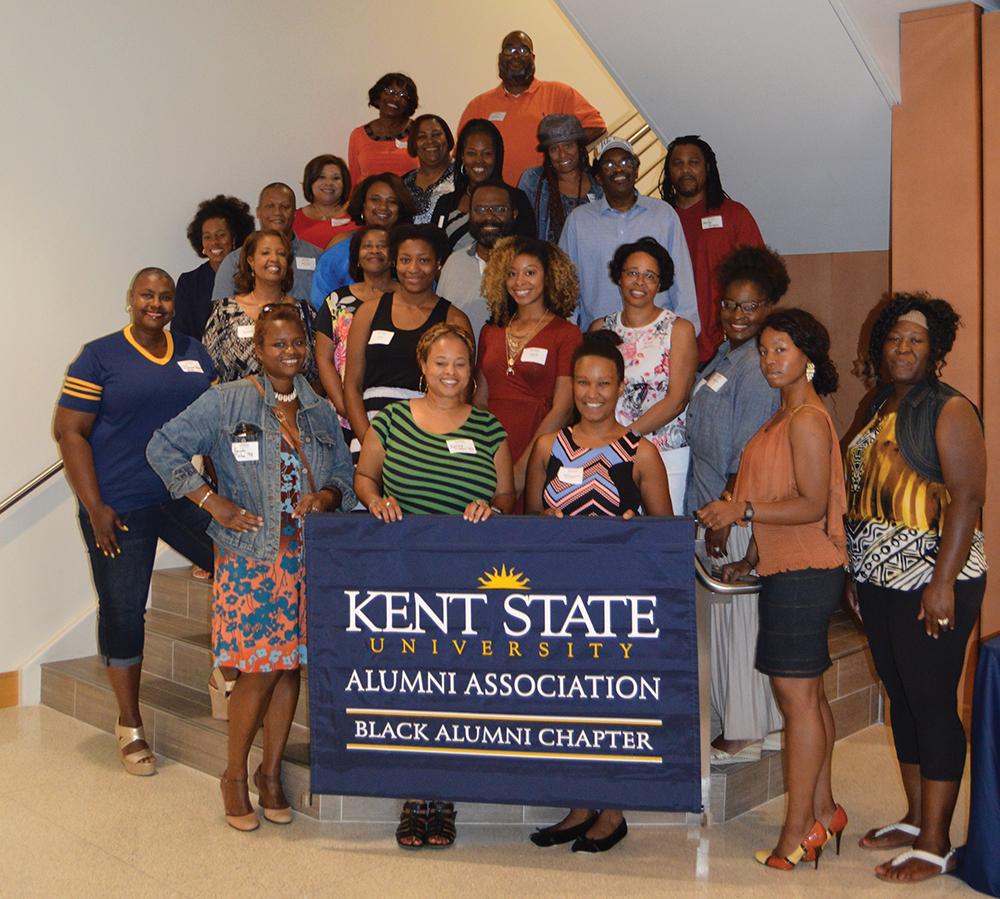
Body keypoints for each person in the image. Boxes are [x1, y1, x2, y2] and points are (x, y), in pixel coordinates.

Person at [147, 304, 356, 831]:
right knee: (259, 670)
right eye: (278, 344)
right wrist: (209, 500)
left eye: (297, 345)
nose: (290, 353)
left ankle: (270, 775)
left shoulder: (319, 408)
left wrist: (328, 497)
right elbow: (163, 446)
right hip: (250, 560)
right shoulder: (228, 400)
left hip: (306, 559)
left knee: (289, 669)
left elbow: (344, 480)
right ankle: (234, 775)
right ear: (258, 350)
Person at [698, 309, 847, 871]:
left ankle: (798, 828)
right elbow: (783, 495)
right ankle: (825, 810)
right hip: (787, 567)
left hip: (807, 572)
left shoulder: (807, 417)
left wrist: (742, 510)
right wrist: (752, 559)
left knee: (797, 700)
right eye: (764, 351)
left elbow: (811, 503)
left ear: (808, 355)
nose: (769, 360)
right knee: (810, 697)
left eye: (781, 349)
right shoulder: (782, 415)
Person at [354, 322, 514, 847]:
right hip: (404, 578)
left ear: (472, 372)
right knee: (410, 684)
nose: (450, 372)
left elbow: (509, 499)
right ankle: (412, 796)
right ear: (422, 367)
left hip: (469, 584)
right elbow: (365, 476)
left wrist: (490, 506)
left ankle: (442, 797)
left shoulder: (490, 430)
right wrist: (375, 501)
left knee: (455, 688)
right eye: (440, 362)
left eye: (460, 364)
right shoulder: (394, 420)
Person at [54, 268, 217, 778]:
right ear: (131, 298)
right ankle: (130, 724)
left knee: (238, 563)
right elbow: (70, 432)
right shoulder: (99, 355)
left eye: (165, 296)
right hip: (118, 504)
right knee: (124, 611)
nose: (157, 303)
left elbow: (210, 427)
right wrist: (95, 505)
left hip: (178, 493)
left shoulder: (195, 353)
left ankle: (227, 672)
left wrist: (220, 494)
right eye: (148, 294)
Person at [845, 294, 986, 884]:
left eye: (916, 340)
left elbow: (968, 500)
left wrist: (943, 583)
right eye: (894, 338)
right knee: (900, 697)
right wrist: (857, 572)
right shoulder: (878, 401)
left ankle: (935, 842)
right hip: (878, 578)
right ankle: (913, 817)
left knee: (931, 702)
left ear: (936, 350)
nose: (902, 348)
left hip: (932, 577)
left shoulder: (949, 410)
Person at [523, 331, 670, 854]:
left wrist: (630, 529)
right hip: (559, 599)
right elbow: (529, 520)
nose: (591, 392)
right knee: (566, 703)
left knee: (611, 706)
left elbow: (664, 534)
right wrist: (548, 521)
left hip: (615, 603)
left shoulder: (642, 453)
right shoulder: (548, 447)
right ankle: (579, 804)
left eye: (603, 383)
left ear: (620, 386)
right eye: (582, 381)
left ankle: (613, 811)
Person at [685, 245, 787, 764]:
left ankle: (744, 729)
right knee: (727, 621)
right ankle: (756, 721)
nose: (738, 315)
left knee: (737, 621)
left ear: (769, 306)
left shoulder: (757, 366)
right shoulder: (724, 356)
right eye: (730, 305)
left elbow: (749, 448)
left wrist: (727, 509)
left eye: (750, 306)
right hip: (711, 504)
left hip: (732, 512)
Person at [344, 224, 473, 451]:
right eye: (405, 260)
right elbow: (352, 386)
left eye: (423, 260)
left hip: (428, 437)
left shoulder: (455, 320)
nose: (413, 268)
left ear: (438, 264)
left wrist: (431, 442)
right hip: (370, 429)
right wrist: (369, 442)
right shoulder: (368, 311)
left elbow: (461, 393)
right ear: (395, 262)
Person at [592, 237, 696, 512]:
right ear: (619, 276)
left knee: (663, 540)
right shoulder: (600, 328)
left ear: (661, 283)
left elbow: (677, 400)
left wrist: (622, 438)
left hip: (665, 453)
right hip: (608, 455)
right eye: (632, 273)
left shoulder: (679, 329)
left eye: (650, 276)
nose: (639, 282)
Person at [475, 235, 581, 496]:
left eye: (530, 273)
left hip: (540, 441)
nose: (519, 282)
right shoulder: (490, 331)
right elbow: (479, 401)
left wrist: (525, 466)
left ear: (549, 277)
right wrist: (481, 455)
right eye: (512, 273)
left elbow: (564, 407)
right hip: (491, 446)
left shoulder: (566, 334)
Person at [560, 137, 698, 333]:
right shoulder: (578, 221)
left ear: (636, 170)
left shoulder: (663, 214)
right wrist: (567, 337)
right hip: (600, 337)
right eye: (609, 164)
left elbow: (682, 280)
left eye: (626, 162)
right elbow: (567, 286)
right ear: (598, 176)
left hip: (657, 337)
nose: (618, 169)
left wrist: (687, 332)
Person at [661, 136, 764, 364]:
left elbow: (760, 280)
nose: (686, 169)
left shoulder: (735, 215)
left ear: (707, 168)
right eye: (678, 163)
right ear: (669, 171)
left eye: (693, 162)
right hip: (668, 345)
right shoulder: (659, 219)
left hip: (726, 344)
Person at [458, 30, 606, 185]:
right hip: (497, 199)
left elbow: (596, 127)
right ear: (500, 58)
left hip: (548, 194)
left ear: (533, 58)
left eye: (523, 50)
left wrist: (561, 153)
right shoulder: (478, 105)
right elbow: (461, 155)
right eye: (509, 50)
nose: (516, 56)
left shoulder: (560, 93)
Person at [314, 225, 396, 459]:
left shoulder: (407, 298)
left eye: (382, 246)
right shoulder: (337, 300)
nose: (374, 251)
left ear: (393, 256)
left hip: (399, 409)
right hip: (344, 414)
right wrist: (343, 405)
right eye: (367, 246)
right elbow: (323, 357)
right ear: (356, 257)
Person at [202, 230, 316, 384]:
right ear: (251, 261)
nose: (274, 259)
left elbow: (318, 371)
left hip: (295, 405)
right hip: (237, 405)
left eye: (281, 254)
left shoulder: (304, 312)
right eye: (265, 253)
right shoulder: (225, 311)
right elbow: (208, 367)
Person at [429, 119, 536, 250]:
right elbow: (433, 250)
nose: (479, 160)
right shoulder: (445, 203)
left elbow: (529, 251)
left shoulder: (517, 199)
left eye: (487, 154)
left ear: (497, 156)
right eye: (471, 153)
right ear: (462, 156)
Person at [311, 173, 414, 309]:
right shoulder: (339, 250)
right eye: (375, 199)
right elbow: (321, 302)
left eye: (392, 201)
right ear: (363, 204)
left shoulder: (412, 250)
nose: (383, 207)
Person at [212, 183, 322, 307]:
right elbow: (222, 312)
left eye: (285, 206)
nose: (277, 212)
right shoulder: (234, 260)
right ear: (258, 212)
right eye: (270, 206)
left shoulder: (318, 257)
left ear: (295, 213)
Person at [437, 180, 519, 342]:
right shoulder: (454, 263)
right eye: (480, 209)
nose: (489, 216)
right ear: (469, 214)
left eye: (499, 209)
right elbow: (440, 324)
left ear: (514, 214)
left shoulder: (532, 265)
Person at [174, 195, 255, 340]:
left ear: (234, 239)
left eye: (221, 235)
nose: (214, 242)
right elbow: (181, 335)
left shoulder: (253, 278)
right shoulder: (189, 282)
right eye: (207, 237)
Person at [517, 114, 601, 243]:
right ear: (547, 153)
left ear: (579, 147)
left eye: (568, 146)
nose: (562, 154)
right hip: (546, 261)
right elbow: (521, 230)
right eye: (554, 149)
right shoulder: (533, 180)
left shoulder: (599, 182)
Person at [347, 72, 419, 184]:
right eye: (389, 91)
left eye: (402, 95)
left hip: (411, 200)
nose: (395, 98)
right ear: (378, 95)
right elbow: (354, 180)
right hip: (368, 200)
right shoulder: (358, 135)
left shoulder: (420, 131)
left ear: (409, 103)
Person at [402, 114, 456, 224]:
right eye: (422, 136)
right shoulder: (403, 183)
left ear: (448, 138)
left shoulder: (464, 177)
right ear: (414, 143)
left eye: (436, 134)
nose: (430, 141)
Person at [293, 155, 355, 250]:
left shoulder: (357, 219)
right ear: (310, 181)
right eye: (321, 177)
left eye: (335, 178)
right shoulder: (292, 219)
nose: (328, 183)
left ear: (345, 183)